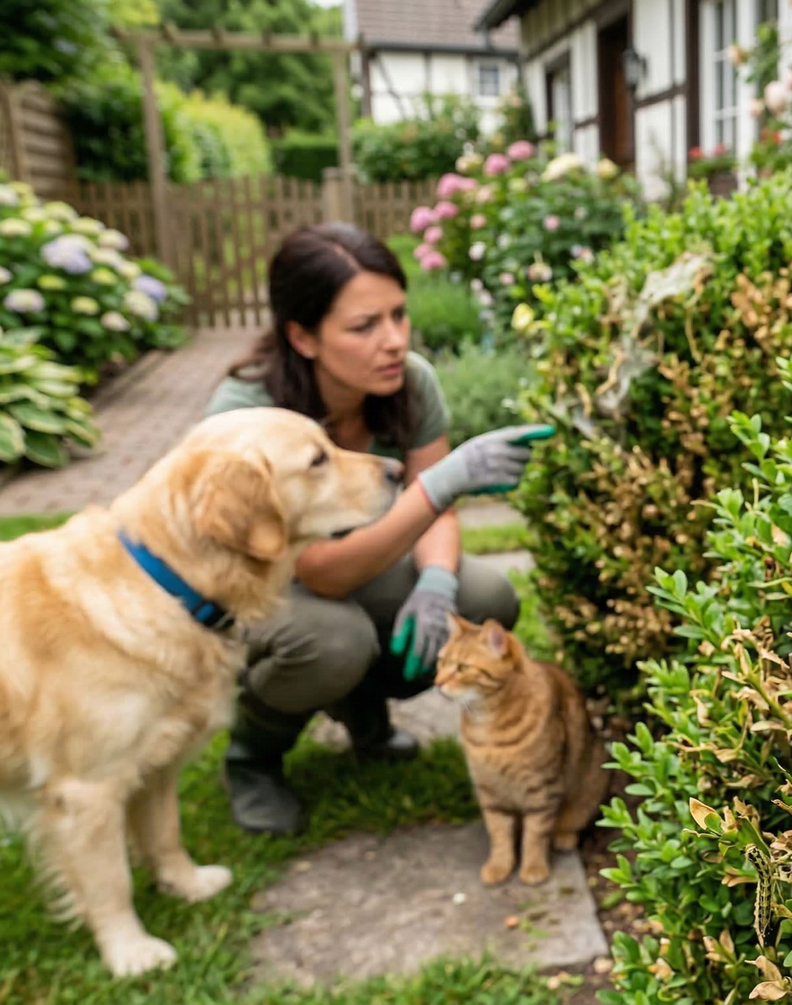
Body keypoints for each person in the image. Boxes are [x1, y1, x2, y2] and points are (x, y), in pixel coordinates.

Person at [204, 222, 544, 834]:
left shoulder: (408, 381)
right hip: (257, 592)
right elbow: (321, 572)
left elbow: (433, 519)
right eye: (364, 326)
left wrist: (437, 582)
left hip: (346, 570)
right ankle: (252, 753)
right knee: (335, 641)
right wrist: (441, 483)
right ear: (302, 336)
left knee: (481, 598)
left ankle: (361, 706)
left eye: (398, 315)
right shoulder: (247, 412)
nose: (393, 341)